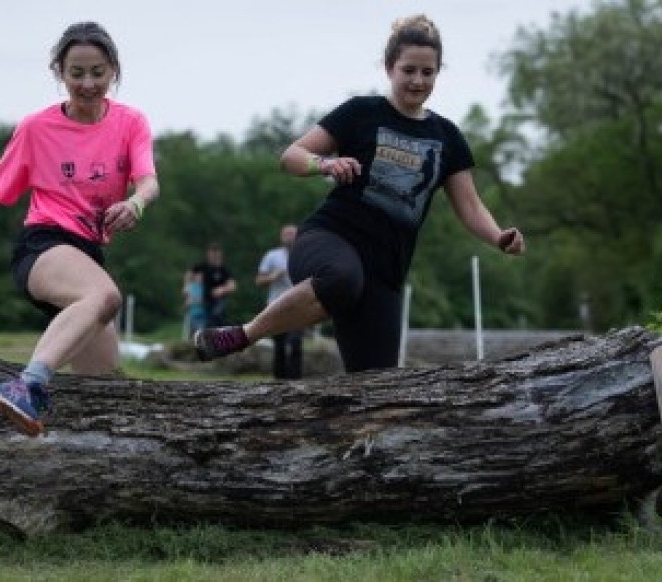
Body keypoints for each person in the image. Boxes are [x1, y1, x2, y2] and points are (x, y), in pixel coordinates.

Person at [194, 14, 525, 372]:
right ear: (389, 68)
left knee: (377, 385)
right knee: (342, 279)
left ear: (437, 73)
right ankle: (242, 335)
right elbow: (291, 156)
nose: (417, 80)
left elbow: (471, 206)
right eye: (408, 70)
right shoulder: (361, 113)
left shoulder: (447, 137)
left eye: (427, 72)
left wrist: (498, 236)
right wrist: (324, 165)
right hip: (329, 239)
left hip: (385, 274)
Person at [0, 22, 159, 437]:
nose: (87, 84)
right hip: (44, 246)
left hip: (88, 256)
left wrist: (135, 203)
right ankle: (27, 384)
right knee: (106, 296)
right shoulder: (37, 129)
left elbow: (148, 182)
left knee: (106, 391)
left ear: (114, 70)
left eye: (97, 72)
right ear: (59, 73)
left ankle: (55, 456)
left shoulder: (131, 122)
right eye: (76, 73)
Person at [256, 224, 303, 379]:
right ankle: (280, 382)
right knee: (280, 345)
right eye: (286, 234)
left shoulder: (304, 254)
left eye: (292, 234)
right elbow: (259, 280)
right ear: (281, 237)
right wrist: (273, 276)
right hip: (276, 305)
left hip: (299, 305)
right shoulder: (272, 255)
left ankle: (296, 382)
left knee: (295, 342)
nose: (289, 237)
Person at [188, 242, 236, 328]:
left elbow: (233, 286)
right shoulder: (202, 266)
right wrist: (188, 290)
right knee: (203, 323)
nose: (214, 255)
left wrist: (222, 289)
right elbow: (189, 275)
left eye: (216, 252)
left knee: (216, 317)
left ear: (220, 254)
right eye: (212, 252)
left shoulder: (223, 269)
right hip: (205, 301)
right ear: (208, 253)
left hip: (218, 301)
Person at [183, 270, 207, 338]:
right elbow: (187, 302)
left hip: (203, 314)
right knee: (192, 335)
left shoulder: (205, 287)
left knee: (201, 334)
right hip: (192, 314)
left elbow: (204, 300)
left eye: (201, 277)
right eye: (198, 276)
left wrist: (194, 300)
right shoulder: (191, 287)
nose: (199, 278)